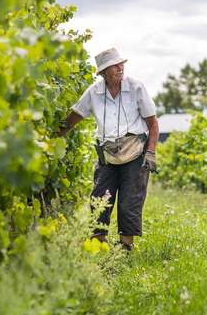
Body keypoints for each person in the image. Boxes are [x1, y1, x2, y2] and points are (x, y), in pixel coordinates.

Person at [58, 47, 159, 251]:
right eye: (114, 66)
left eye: (121, 64)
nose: (120, 68)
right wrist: (53, 136)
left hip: (134, 152)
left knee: (130, 200)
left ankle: (125, 246)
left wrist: (150, 152)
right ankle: (98, 242)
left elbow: (153, 124)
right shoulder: (94, 92)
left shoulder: (136, 87)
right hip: (107, 154)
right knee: (99, 198)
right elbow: (73, 118)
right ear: (104, 72)